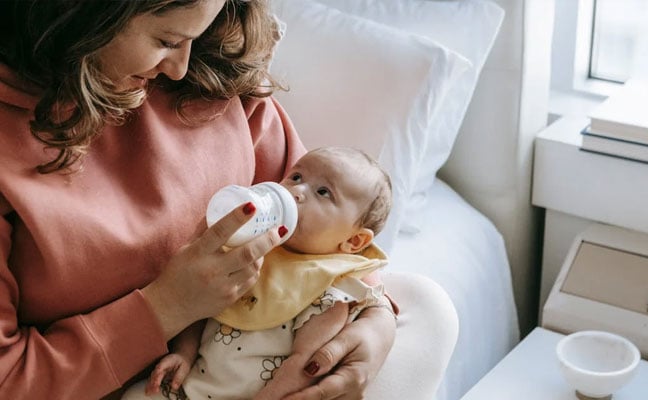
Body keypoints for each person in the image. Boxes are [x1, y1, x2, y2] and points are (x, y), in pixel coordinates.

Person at [0, 0, 457, 399]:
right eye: (167, 39)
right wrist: (168, 307)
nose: (179, 67)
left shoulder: (206, 74)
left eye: (194, 38)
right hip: (105, 385)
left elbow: (332, 233)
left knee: (424, 304)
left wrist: (372, 320)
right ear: (83, 14)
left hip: (236, 360)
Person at [122, 146, 394, 400]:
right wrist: (184, 352)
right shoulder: (251, 245)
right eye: (296, 176)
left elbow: (303, 365)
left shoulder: (328, 291)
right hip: (189, 388)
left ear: (354, 242)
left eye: (323, 192)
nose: (296, 191)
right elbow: (199, 304)